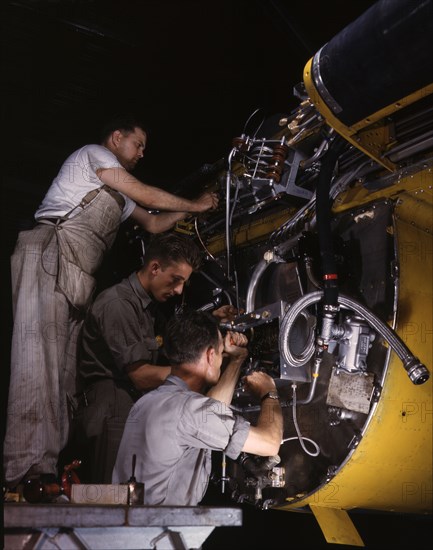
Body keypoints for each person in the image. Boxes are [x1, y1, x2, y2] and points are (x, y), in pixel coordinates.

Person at [3, 115, 219, 489]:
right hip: (49, 254)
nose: (140, 154)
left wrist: (193, 209)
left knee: (61, 377)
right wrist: (198, 204)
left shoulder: (118, 200)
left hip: (74, 274)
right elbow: (147, 194)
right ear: (117, 138)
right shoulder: (93, 156)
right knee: (37, 365)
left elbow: (153, 223)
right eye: (138, 145)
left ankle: (44, 472)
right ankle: (23, 474)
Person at [73, 232, 237, 483]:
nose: (179, 290)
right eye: (175, 280)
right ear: (154, 268)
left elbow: (167, 343)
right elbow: (140, 376)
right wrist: (199, 366)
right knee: (112, 499)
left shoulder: (146, 306)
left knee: (130, 496)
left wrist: (211, 320)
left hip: (127, 402)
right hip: (112, 404)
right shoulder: (118, 305)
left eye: (184, 282)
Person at [112, 309, 283, 506]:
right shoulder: (190, 411)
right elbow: (270, 442)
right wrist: (269, 391)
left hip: (133, 524)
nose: (221, 359)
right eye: (221, 353)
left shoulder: (147, 402)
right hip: (161, 528)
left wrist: (237, 360)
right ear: (211, 355)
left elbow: (211, 412)